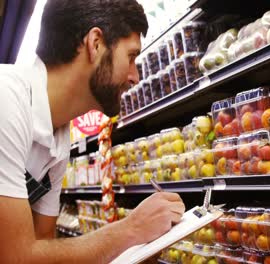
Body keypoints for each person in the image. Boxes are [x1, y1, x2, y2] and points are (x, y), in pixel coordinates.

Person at [0, 0, 185, 262]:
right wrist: (131, 230)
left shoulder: (59, 135)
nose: (135, 76)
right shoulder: (6, 98)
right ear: (95, 43)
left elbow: (42, 245)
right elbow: (15, 257)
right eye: (131, 57)